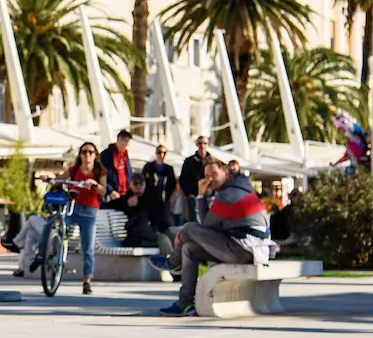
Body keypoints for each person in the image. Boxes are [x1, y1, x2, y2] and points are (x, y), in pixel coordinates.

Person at [151, 156, 273, 317]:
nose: (209, 179)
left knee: (188, 228)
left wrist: (201, 196)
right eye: (206, 175)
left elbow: (206, 225)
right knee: (189, 249)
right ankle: (185, 302)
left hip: (246, 249)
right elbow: (210, 227)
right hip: (251, 248)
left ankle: (173, 263)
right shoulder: (240, 189)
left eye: (214, 174)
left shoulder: (228, 195)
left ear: (226, 173)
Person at [33, 142, 107, 294]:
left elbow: (103, 190)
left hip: (89, 211)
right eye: (84, 152)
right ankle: (42, 252)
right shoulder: (74, 170)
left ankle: (87, 281)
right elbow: (60, 179)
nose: (87, 155)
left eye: (90, 152)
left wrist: (94, 184)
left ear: (95, 155)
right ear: (80, 154)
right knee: (52, 223)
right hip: (73, 208)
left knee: (88, 248)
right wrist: (49, 178)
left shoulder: (100, 172)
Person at [106, 173, 177, 256]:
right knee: (163, 240)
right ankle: (170, 265)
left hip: (153, 231)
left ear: (145, 184)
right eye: (135, 184)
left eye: (141, 183)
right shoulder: (129, 198)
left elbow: (160, 216)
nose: (138, 186)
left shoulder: (152, 195)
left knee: (176, 237)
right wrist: (127, 203)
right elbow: (109, 205)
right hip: (137, 236)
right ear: (131, 185)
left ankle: (181, 265)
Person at [179, 136, 210, 223]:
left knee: (210, 222)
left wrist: (214, 193)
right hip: (194, 196)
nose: (202, 146)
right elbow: (183, 178)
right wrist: (188, 193)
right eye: (200, 143)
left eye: (205, 143)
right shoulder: (189, 161)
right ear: (196, 144)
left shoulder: (212, 160)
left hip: (209, 196)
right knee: (196, 222)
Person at [142, 145, 177, 219]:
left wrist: (172, 198)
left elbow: (173, 184)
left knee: (164, 220)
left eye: (164, 153)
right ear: (156, 153)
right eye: (159, 152)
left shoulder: (169, 169)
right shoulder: (148, 167)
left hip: (164, 198)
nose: (161, 155)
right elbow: (142, 181)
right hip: (151, 198)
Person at [100, 129, 132, 200]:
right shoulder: (106, 155)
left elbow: (129, 172)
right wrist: (110, 190)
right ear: (119, 139)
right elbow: (101, 175)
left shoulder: (125, 154)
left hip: (126, 192)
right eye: (126, 141)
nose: (127, 145)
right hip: (113, 193)